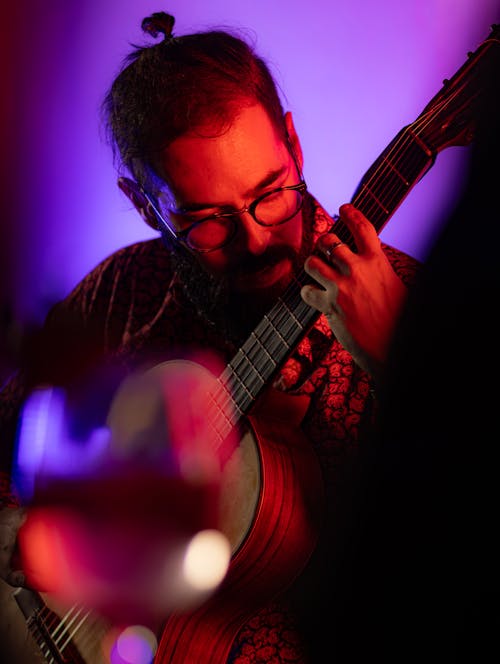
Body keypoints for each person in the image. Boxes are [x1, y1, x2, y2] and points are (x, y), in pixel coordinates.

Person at [0, 11, 420, 663]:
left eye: (270, 193)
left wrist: (403, 362)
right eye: (207, 220)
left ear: (293, 143)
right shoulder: (124, 291)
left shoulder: (412, 306)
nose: (255, 238)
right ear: (144, 205)